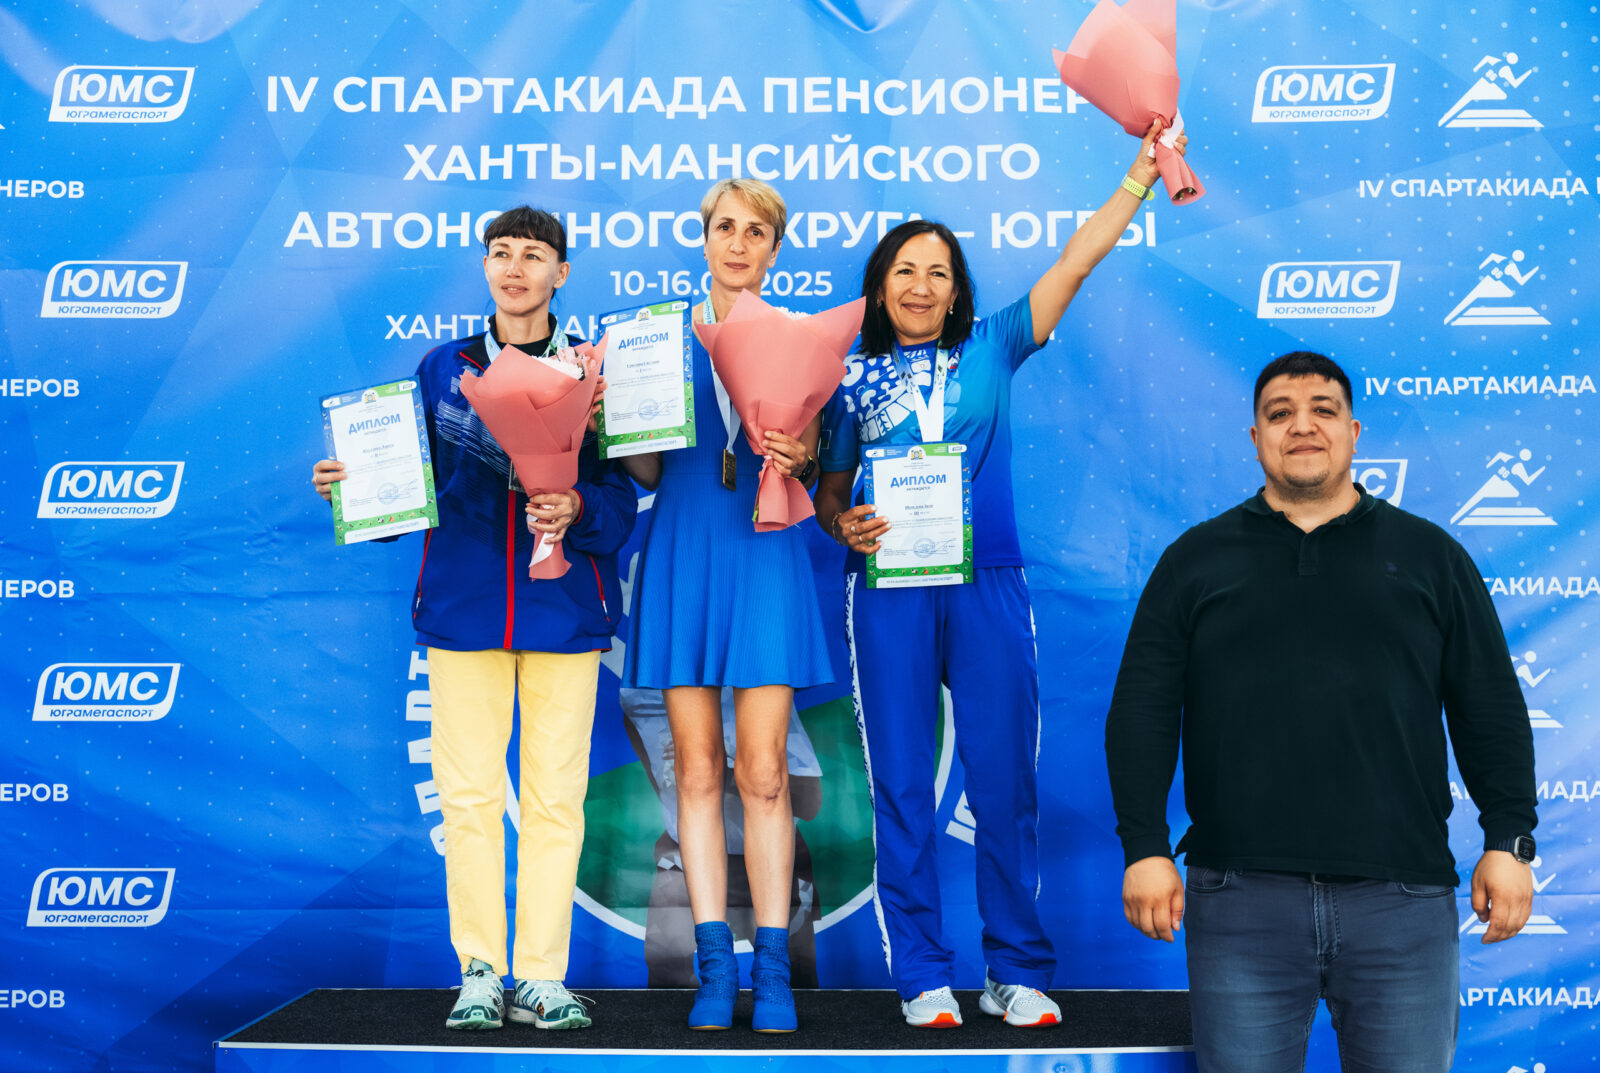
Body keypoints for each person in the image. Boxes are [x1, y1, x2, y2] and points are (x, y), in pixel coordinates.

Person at [812, 120, 1186, 1028]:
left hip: (989, 582)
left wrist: (1138, 179)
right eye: (905, 270)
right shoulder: (846, 375)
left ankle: (1014, 968)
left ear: (957, 291)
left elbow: (1076, 261)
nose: (921, 284)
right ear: (880, 286)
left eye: (939, 272)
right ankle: (921, 972)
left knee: (1004, 782)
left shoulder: (995, 344)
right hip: (890, 589)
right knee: (902, 784)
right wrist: (843, 522)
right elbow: (827, 493)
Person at [1105, 351, 1538, 1072]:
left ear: (1353, 432)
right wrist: (1144, 846)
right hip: (1240, 899)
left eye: (1323, 410)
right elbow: (1142, 711)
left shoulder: (1431, 556)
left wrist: (1511, 838)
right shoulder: (1195, 560)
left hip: (1402, 899)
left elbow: (1489, 705)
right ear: (1256, 438)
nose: (1302, 426)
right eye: (1280, 414)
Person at [311, 207, 637, 1032]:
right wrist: (355, 489)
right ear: (485, 266)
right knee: (469, 798)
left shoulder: (593, 371)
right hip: (463, 613)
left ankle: (543, 975)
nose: (515, 267)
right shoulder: (442, 369)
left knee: (557, 800)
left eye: (533, 254)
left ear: (562, 272)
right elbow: (407, 493)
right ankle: (482, 970)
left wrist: (578, 506)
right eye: (501, 252)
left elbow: (621, 502)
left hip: (566, 612)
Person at [618, 178, 830, 1032]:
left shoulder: (801, 339)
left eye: (756, 232)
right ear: (703, 238)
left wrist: (802, 451)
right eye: (725, 228)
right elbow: (646, 471)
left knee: (765, 771)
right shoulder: (655, 339)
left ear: (775, 249)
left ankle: (771, 968)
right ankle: (715, 965)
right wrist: (612, 425)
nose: (738, 244)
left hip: (766, 554)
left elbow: (812, 456)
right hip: (685, 550)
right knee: (698, 770)